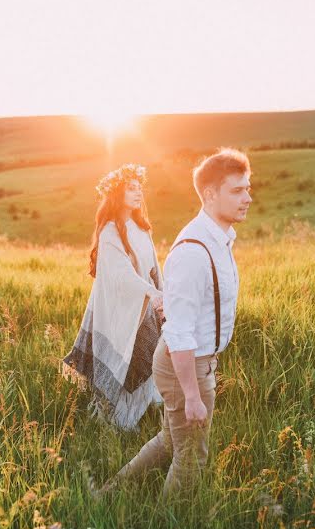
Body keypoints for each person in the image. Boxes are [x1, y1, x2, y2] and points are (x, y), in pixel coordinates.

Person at [94, 148, 252, 497]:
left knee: (170, 441)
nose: (248, 198)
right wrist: (193, 394)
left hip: (195, 362)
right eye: (238, 190)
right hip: (187, 366)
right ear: (211, 195)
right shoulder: (194, 251)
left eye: (248, 188)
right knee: (191, 458)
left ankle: (107, 494)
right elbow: (179, 331)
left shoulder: (220, 240)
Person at [63, 163, 166, 431]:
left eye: (139, 188)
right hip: (122, 309)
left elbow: (154, 266)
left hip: (144, 305)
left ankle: (143, 414)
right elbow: (121, 274)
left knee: (148, 356)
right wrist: (151, 292)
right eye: (130, 188)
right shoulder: (110, 230)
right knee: (128, 360)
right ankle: (119, 424)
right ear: (116, 193)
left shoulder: (142, 227)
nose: (137, 193)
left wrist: (161, 294)